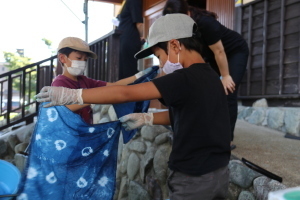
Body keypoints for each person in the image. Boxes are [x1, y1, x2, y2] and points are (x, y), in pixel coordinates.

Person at [36, 14, 231, 200]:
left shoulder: (183, 78)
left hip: (193, 178)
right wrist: (148, 118)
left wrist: (73, 95)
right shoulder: (211, 77)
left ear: (174, 45)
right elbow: (186, 115)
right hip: (219, 172)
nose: (161, 64)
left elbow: (125, 93)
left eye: (158, 55)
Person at [163, 0, 249, 150]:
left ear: (187, 13)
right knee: (207, 91)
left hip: (233, 52)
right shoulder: (181, 27)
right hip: (213, 57)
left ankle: (226, 141)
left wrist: (226, 76)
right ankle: (209, 131)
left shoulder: (205, 23)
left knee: (227, 92)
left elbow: (219, 51)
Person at [53, 36, 152, 124]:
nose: (82, 62)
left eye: (85, 59)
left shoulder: (84, 80)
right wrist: (94, 97)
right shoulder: (59, 83)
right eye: (79, 58)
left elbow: (114, 85)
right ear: (62, 58)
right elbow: (65, 108)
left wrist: (138, 76)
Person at [117, 0, 144, 79]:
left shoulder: (129, 2)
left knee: (126, 70)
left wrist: (141, 36)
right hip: (127, 39)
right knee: (127, 70)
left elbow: (138, 23)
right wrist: (141, 36)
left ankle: (126, 90)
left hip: (126, 39)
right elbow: (138, 23)